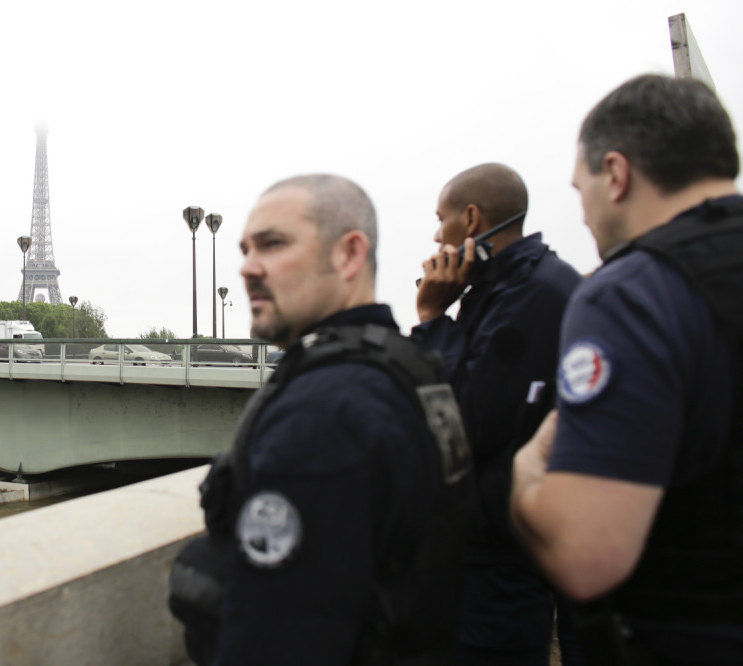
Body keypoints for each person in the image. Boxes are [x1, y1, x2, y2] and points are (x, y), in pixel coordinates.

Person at [168, 174, 472, 665]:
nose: (247, 268)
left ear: (348, 255)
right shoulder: (411, 369)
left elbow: (278, 640)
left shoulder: (322, 415)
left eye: (272, 244)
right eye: (245, 249)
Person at [510, 74, 743, 664]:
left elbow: (585, 557)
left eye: (580, 187)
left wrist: (527, 471)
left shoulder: (632, 296)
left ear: (616, 174)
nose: (583, 213)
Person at [413, 164, 583, 664]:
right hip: (499, 551)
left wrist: (430, 320)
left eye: (440, 219)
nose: (434, 234)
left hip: (503, 567)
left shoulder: (532, 296)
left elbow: (461, 421)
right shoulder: (503, 289)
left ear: (470, 219)